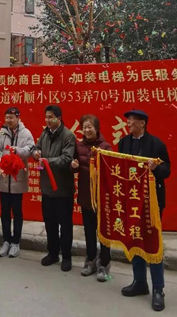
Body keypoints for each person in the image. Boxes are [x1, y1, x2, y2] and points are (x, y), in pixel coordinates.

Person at [118, 109, 171, 313]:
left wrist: (155, 168)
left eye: (132, 120)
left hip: (152, 202)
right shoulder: (124, 142)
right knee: (135, 239)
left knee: (152, 242)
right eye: (128, 119)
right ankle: (139, 282)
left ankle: (158, 289)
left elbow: (167, 170)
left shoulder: (156, 144)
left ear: (142, 123)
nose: (129, 123)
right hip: (131, 200)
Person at [33, 104, 76, 272]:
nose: (48, 120)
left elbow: (66, 158)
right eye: (46, 117)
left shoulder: (68, 136)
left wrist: (46, 162)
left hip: (63, 189)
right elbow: (36, 148)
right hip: (47, 188)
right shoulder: (45, 133)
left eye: (51, 117)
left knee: (65, 225)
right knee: (50, 223)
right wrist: (36, 153)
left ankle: (66, 256)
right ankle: (52, 253)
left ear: (59, 118)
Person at [71, 114, 112, 280]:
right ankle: (90, 260)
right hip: (85, 195)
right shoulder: (79, 146)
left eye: (90, 127)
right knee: (89, 230)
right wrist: (74, 166)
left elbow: (111, 170)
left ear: (97, 129)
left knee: (103, 233)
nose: (87, 130)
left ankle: (104, 264)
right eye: (84, 127)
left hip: (102, 197)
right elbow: (75, 167)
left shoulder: (105, 147)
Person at [0, 106, 35, 258]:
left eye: (11, 117)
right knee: (4, 211)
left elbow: (30, 150)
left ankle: (16, 242)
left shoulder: (26, 133)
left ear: (18, 118)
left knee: (17, 211)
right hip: (4, 177)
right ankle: (6, 241)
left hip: (17, 178)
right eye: (6, 118)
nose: (8, 120)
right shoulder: (2, 133)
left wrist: (17, 150)